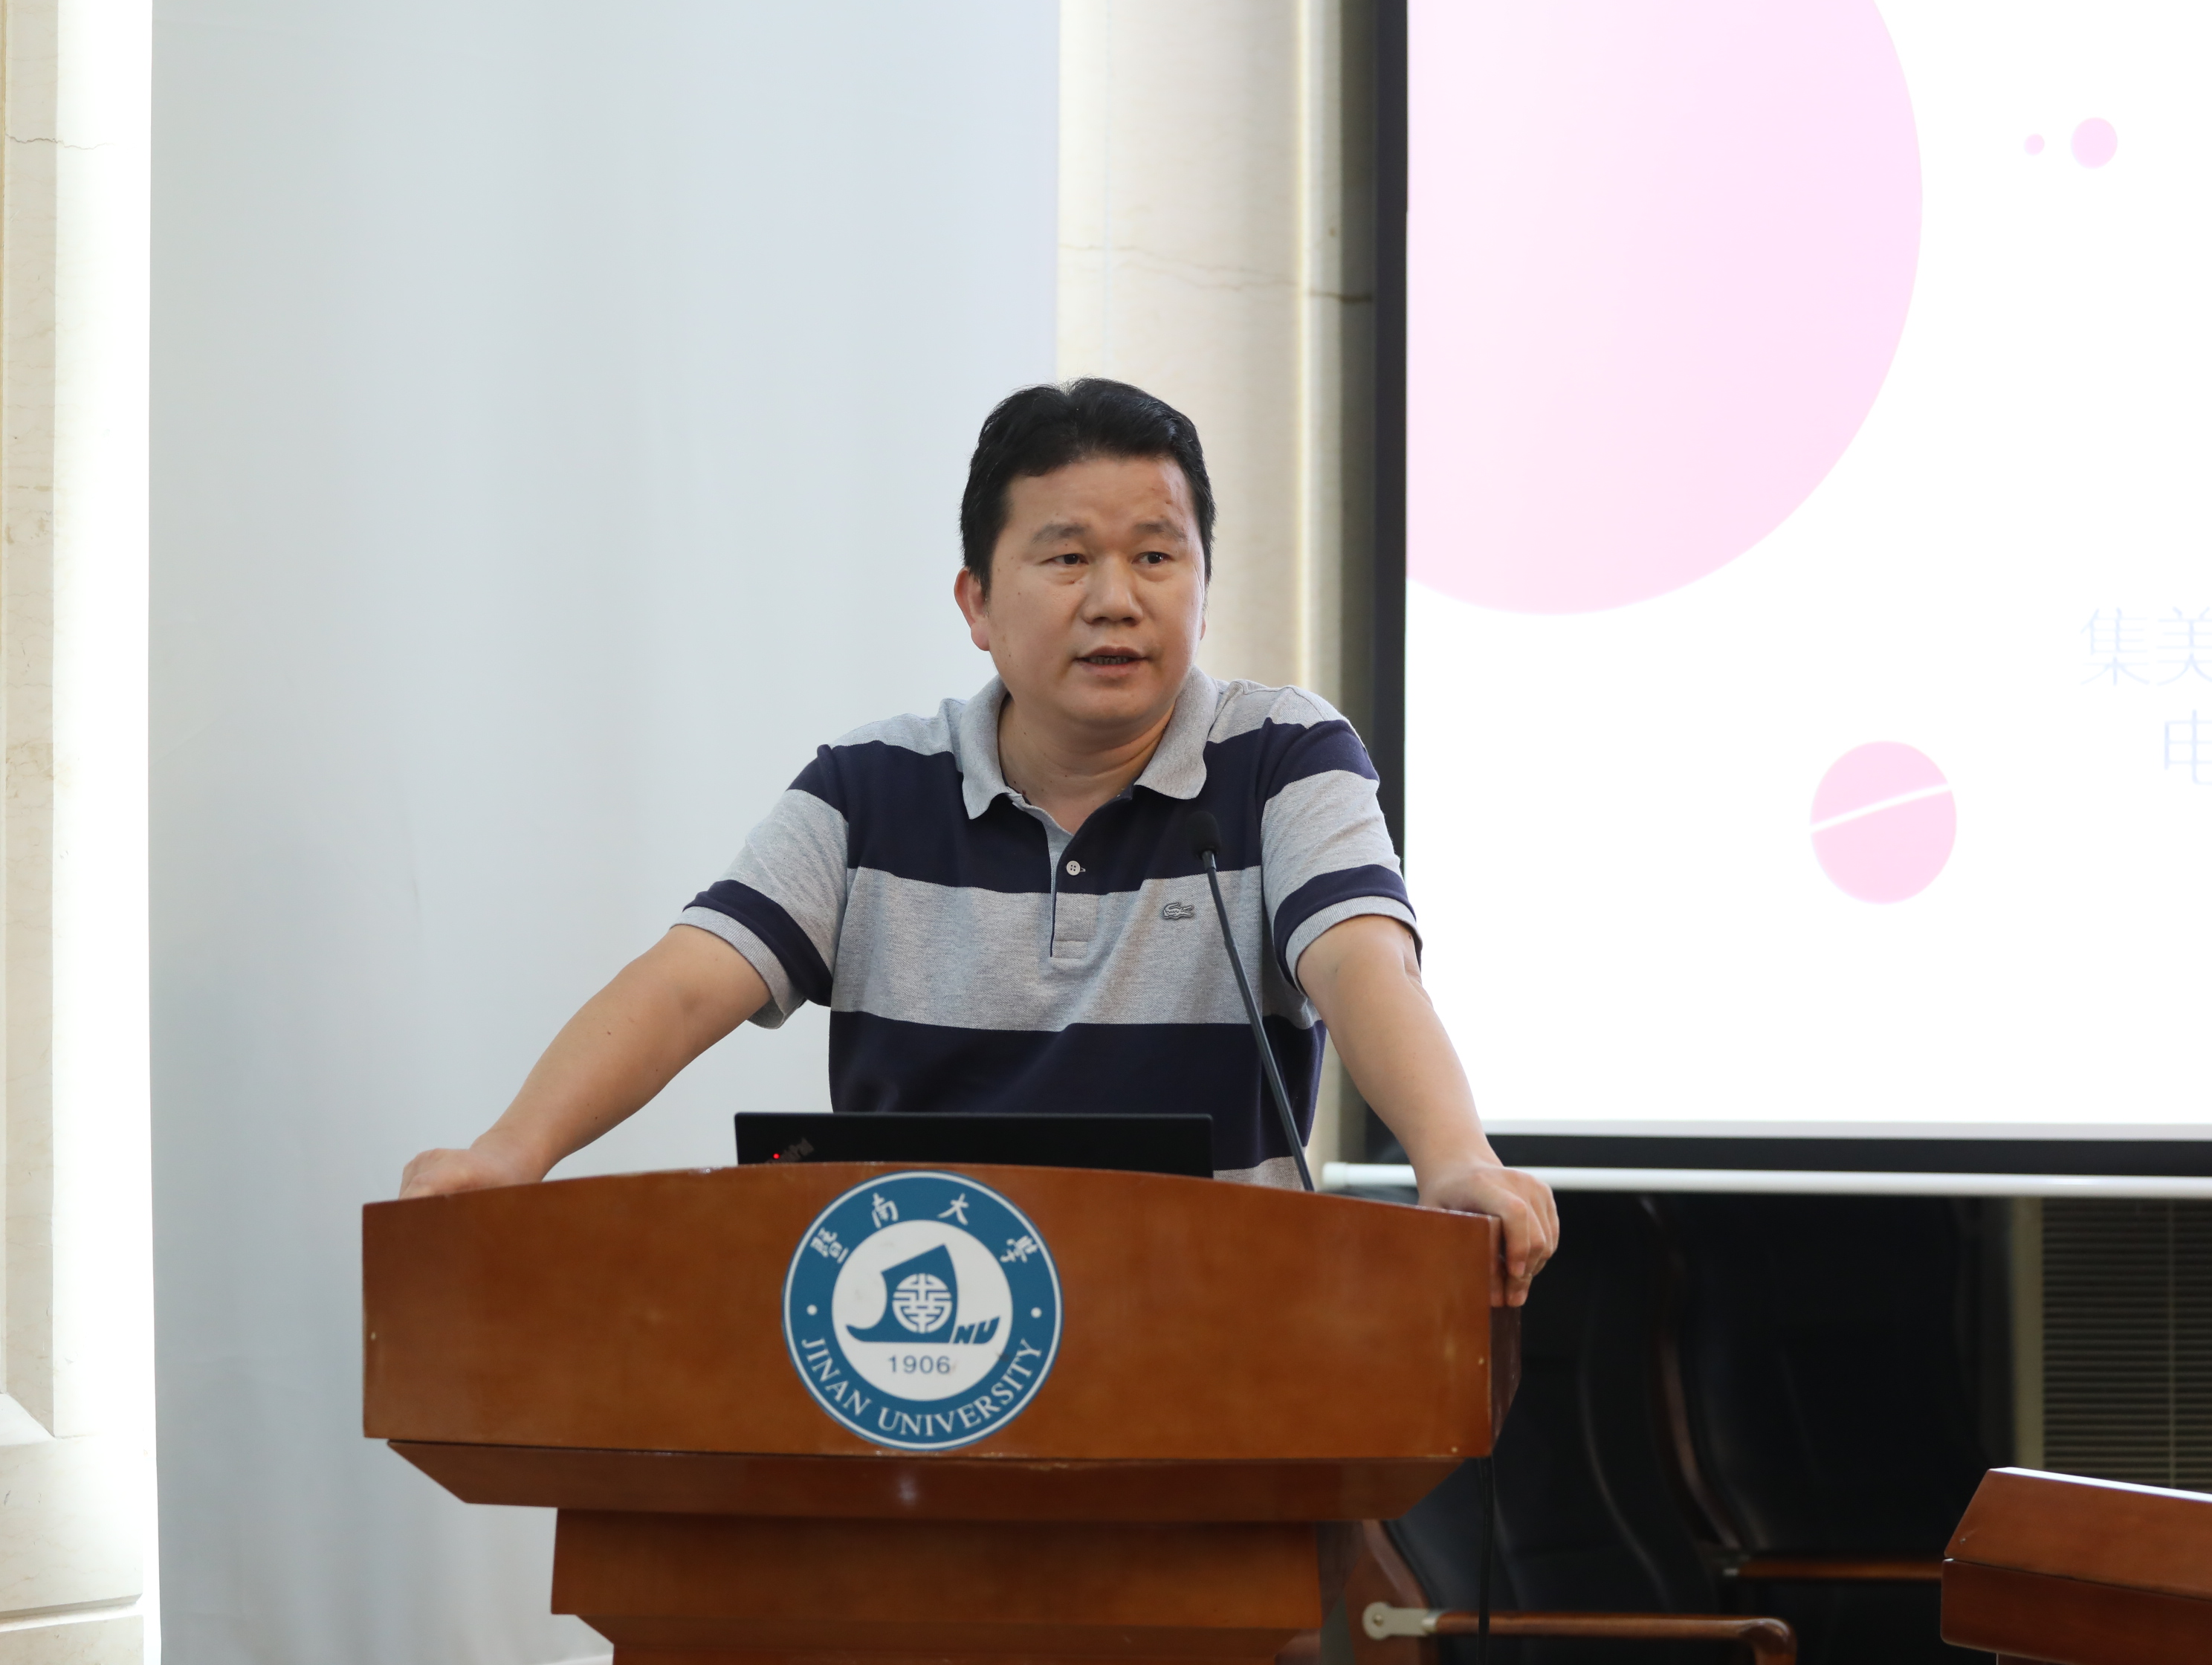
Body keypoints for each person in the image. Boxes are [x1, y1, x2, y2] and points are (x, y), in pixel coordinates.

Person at [400, 379, 1558, 1302]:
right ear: (977, 604)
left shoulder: (1282, 758)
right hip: (915, 1345)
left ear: (1204, 588)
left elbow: (1361, 965)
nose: (1116, 598)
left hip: (1210, 1332)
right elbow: (686, 985)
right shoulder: (871, 789)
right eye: (1068, 558)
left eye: (1157, 556)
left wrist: (1455, 1159)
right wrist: (513, 1153)